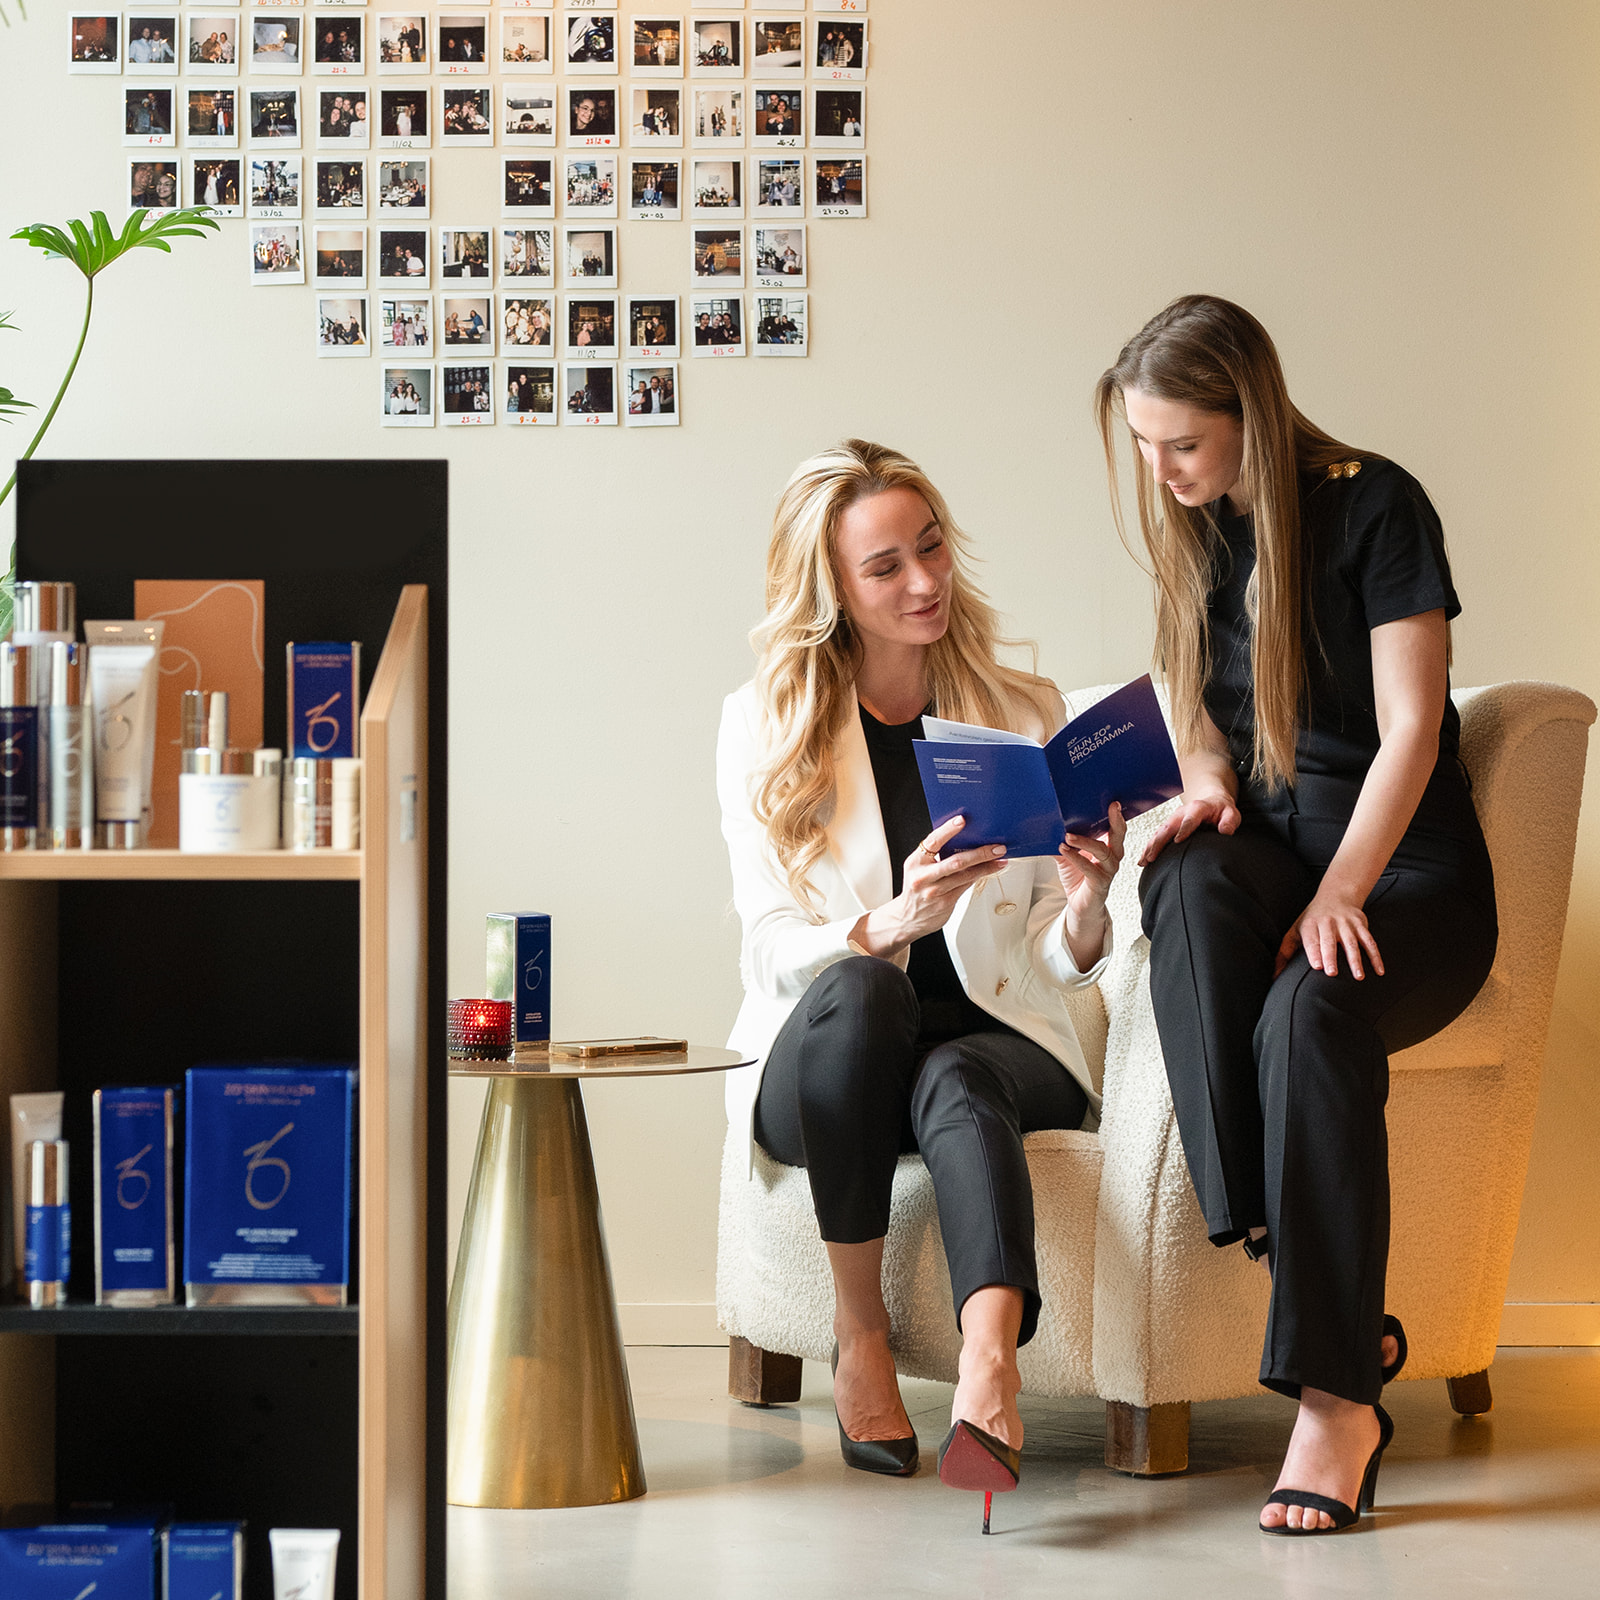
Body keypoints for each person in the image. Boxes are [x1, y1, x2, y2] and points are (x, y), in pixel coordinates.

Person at [1094, 295, 1497, 1536]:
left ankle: (1337, 1403)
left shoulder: (1376, 505)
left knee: (1309, 1010)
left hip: (1405, 875)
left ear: (1251, 413)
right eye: (1144, 446)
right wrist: (1205, 785)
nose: (1162, 474)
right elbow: (1195, 708)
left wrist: (1339, 891)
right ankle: (1284, 1243)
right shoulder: (1200, 531)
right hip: (1279, 854)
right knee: (1181, 876)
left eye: (1182, 444)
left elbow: (1413, 728)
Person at [716, 440, 1124, 1513]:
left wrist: (1089, 903)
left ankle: (990, 1371)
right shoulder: (764, 724)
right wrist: (887, 923)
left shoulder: (1023, 710)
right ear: (833, 593)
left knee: (956, 1073)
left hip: (995, 1043)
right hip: (834, 1061)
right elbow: (765, 945)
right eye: (885, 566)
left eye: (931, 548)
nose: (924, 580)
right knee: (866, 989)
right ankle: (862, 1333)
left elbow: (1049, 955)